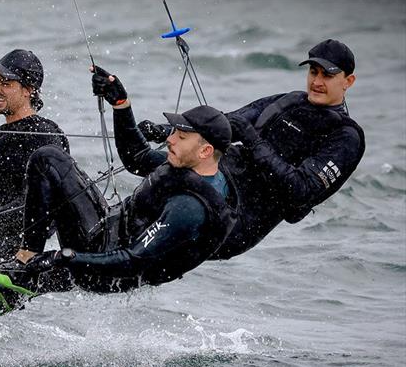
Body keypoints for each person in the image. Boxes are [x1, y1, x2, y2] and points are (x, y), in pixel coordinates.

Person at [14, 66, 237, 293]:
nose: (170, 140)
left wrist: (62, 257)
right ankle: (32, 276)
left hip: (106, 266)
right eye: (173, 132)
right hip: (106, 231)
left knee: (48, 159)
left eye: (181, 136)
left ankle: (23, 271)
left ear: (205, 151)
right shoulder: (189, 164)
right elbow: (137, 157)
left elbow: (133, 260)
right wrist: (121, 104)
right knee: (53, 165)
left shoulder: (189, 208)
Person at [140, 39, 365, 259]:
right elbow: (223, 125)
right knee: (145, 160)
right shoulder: (289, 101)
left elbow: (301, 190)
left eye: (327, 75)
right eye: (313, 72)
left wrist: (253, 140)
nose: (317, 81)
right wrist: (164, 130)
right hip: (219, 176)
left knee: (170, 205)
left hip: (240, 219)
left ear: (349, 81)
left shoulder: (346, 137)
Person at [0, 49, 70, 262]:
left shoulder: (45, 135)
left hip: (15, 254)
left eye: (6, 84)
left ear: (29, 90)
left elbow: (42, 204)